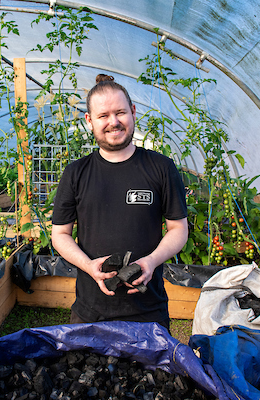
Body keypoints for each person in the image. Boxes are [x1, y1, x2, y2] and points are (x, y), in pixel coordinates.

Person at [51, 74, 188, 330]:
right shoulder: (76, 173)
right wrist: (88, 266)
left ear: (133, 112)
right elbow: (60, 234)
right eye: (103, 116)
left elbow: (178, 229)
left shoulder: (161, 168)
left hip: (148, 311)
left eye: (120, 112)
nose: (113, 122)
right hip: (90, 312)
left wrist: (152, 261)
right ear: (90, 121)